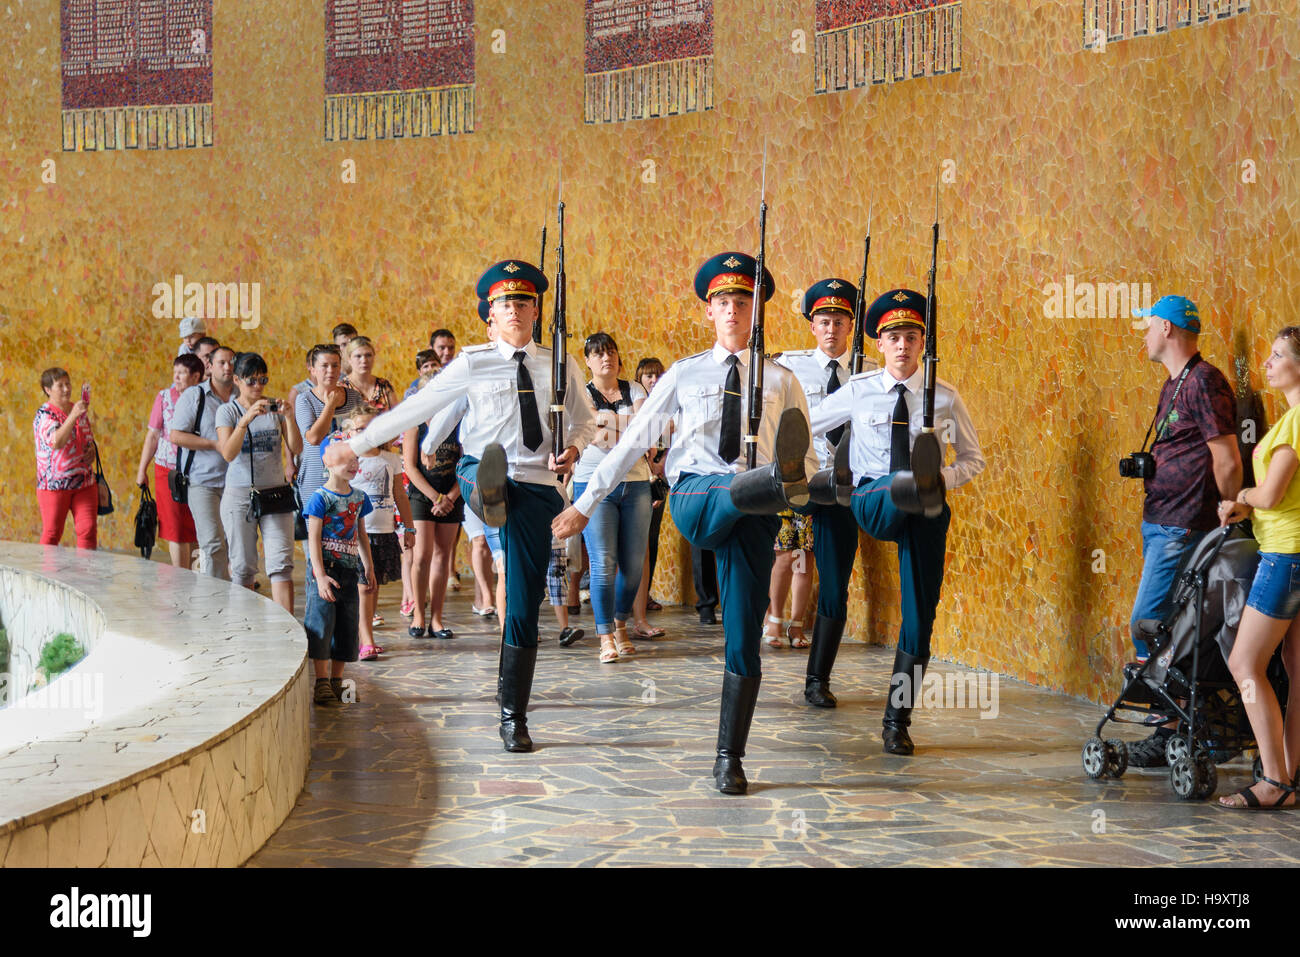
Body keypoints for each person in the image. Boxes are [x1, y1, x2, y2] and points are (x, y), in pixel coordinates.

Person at [553, 251, 818, 794]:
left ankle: (729, 757)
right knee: (744, 485)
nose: (732, 312)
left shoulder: (783, 379)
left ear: (757, 311)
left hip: (756, 514)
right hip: (697, 494)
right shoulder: (685, 372)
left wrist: (808, 487)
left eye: (742, 302)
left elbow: (807, 461)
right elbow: (635, 439)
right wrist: (585, 502)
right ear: (708, 312)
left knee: (743, 634)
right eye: (722, 302)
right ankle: (764, 483)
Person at [329, 260, 595, 753]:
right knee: (484, 471)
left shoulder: (560, 364)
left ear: (536, 310)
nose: (513, 310)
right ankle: (514, 717)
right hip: (482, 469)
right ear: (489, 315)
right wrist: (364, 441)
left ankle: (510, 701)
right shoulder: (472, 361)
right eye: (503, 303)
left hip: (537, 484)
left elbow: (586, 419)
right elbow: (421, 407)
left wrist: (575, 449)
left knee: (523, 599)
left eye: (522, 302)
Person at [808, 288, 985, 755]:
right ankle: (912, 480)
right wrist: (817, 467)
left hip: (924, 509)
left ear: (922, 342)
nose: (903, 345)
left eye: (911, 336)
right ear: (880, 344)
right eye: (894, 337)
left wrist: (942, 478)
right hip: (872, 498)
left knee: (919, 618)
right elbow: (807, 424)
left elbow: (972, 459)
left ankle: (896, 722)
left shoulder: (944, 398)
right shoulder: (859, 391)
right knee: (898, 485)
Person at [1123, 295, 1242, 768]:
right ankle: (1180, 727)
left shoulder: (1205, 380)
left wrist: (1229, 512)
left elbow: (1228, 457)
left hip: (1184, 525)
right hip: (1161, 522)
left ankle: (1171, 727)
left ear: (1169, 329)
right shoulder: (1176, 383)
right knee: (1166, 628)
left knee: (1150, 625)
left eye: (1150, 326)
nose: (1146, 336)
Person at [776, 278, 876, 703]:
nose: (832, 328)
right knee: (781, 559)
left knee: (834, 582)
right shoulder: (788, 367)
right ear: (812, 327)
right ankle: (768, 631)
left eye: (840, 320)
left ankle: (817, 679)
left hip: (846, 486)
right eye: (824, 321)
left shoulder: (873, 371)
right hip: (802, 483)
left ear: (851, 325)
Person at [1215, 327, 1300, 809]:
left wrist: (1242, 498)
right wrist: (1255, 506)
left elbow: (1269, 494)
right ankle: (1286, 779)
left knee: (1244, 663)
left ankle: (1274, 781)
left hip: (1285, 556)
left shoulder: (1297, 421)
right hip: (1293, 549)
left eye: (1278, 355)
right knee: (1295, 670)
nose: (1267, 363)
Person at [572, 332, 652, 663]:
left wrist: (608, 426)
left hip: (635, 482)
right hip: (593, 484)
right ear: (588, 361)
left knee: (633, 566)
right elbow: (594, 436)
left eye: (612, 352)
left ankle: (621, 623)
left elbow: (647, 430)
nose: (607, 358)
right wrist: (624, 426)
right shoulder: (581, 392)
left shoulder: (635, 389)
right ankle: (605, 635)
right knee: (603, 563)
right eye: (598, 354)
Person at [215, 352, 303, 612]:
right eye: (252, 381)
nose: (258, 387)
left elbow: (296, 447)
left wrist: (288, 417)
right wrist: (245, 420)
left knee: (281, 564)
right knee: (242, 566)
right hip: (240, 495)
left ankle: (286, 629)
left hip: (275, 494)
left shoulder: (274, 409)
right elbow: (228, 453)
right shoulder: (227, 411)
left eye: (262, 380)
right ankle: (244, 627)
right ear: (238, 380)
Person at [303, 434, 376, 707]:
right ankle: (321, 682)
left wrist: (368, 565)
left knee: (347, 626)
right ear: (328, 462)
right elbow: (313, 538)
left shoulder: (359, 498)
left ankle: (337, 680)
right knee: (322, 623)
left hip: (349, 571)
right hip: (325, 572)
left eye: (355, 458)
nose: (353, 464)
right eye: (345, 459)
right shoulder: (319, 498)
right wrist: (319, 576)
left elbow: (361, 534)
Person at [347, 406, 415, 660]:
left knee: (372, 587)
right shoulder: (349, 459)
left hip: (384, 531)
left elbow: (400, 494)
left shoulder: (391, 459)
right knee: (363, 586)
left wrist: (408, 527)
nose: (365, 433)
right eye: (359, 429)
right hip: (357, 534)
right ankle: (365, 640)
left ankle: (362, 635)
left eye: (370, 428)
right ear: (350, 432)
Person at [403, 370, 465, 639]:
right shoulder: (415, 425)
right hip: (422, 495)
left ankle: (437, 619)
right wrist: (435, 497)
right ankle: (418, 613)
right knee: (422, 555)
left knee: (443, 555)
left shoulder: (459, 423)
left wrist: (450, 497)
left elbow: (465, 465)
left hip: (451, 495)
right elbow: (410, 467)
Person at [170, 346, 236, 579]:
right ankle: (215, 601)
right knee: (213, 543)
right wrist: (214, 445)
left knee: (235, 546)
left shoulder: (242, 395)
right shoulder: (195, 396)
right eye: (221, 363)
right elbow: (176, 435)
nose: (227, 367)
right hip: (202, 481)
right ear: (209, 366)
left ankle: (231, 597)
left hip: (236, 483)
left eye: (231, 362)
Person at [135, 353, 205, 567]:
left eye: (182, 373)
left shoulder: (205, 398)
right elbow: (153, 435)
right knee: (175, 528)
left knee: (195, 526)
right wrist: (142, 470)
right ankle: (181, 577)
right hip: (167, 470)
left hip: (198, 470)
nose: (176, 377)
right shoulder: (164, 397)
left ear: (196, 377)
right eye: (174, 372)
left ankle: (196, 576)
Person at [33, 367, 99, 549]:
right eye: (60, 385)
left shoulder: (77, 409)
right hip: (54, 486)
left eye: (68, 384)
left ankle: (86, 574)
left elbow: (87, 437)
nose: (66, 389)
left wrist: (92, 449)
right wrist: (73, 416)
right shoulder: (44, 415)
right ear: (48, 390)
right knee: (52, 533)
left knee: (88, 530)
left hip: (84, 483)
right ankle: (45, 574)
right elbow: (57, 442)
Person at [295, 344, 364, 504]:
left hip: (351, 476)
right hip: (317, 477)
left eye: (335, 365)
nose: (331, 371)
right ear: (312, 369)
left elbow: (363, 434)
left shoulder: (354, 397)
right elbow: (313, 438)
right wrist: (330, 405)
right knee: (316, 528)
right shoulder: (304, 399)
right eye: (324, 366)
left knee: (349, 527)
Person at [631, 356, 669, 633]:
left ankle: (644, 595)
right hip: (636, 480)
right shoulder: (635, 408)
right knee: (634, 545)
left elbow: (669, 443)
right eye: (648, 376)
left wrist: (661, 468)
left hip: (658, 481)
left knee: (651, 542)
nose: (654, 381)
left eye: (658, 376)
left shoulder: (665, 410)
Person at [342, 336, 398, 413]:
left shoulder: (384, 385)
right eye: (358, 356)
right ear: (349, 359)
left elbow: (398, 415)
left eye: (368, 355)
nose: (364, 360)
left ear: (374, 357)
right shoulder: (342, 388)